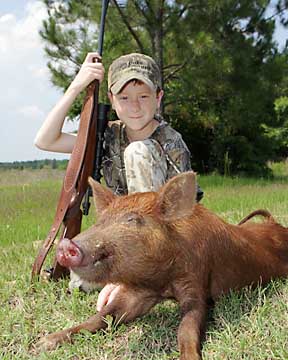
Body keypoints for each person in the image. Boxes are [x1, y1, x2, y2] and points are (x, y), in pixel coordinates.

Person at [35, 51, 203, 312]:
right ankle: (125, 276)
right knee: (79, 282)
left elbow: (189, 216)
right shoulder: (106, 134)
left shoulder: (171, 140)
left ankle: (135, 281)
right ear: (112, 100)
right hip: (119, 240)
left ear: (158, 98)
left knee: (138, 151)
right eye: (124, 97)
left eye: (143, 96)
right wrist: (78, 85)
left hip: (165, 245)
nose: (134, 106)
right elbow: (45, 140)